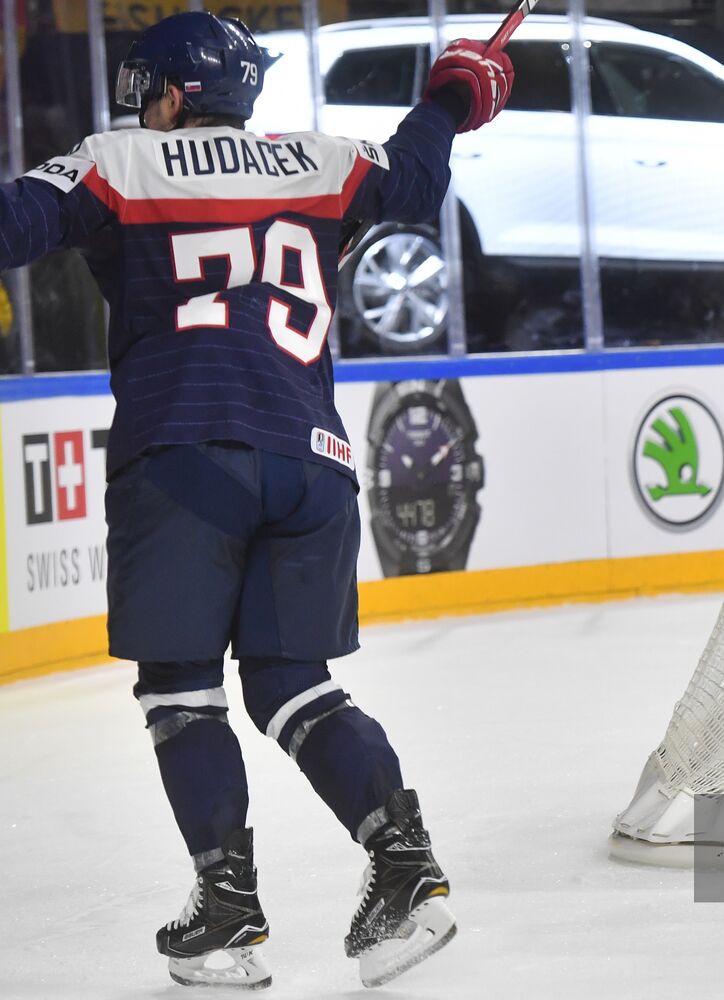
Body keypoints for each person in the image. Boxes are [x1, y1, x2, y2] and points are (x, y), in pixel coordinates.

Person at [0, 11, 514, 990]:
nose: (135, 107)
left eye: (143, 89)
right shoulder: (321, 159)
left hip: (184, 452)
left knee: (183, 689)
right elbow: (413, 174)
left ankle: (227, 906)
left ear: (173, 94)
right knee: (293, 684)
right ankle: (405, 871)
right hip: (313, 460)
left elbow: (15, 226)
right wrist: (452, 94)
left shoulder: (117, 163)